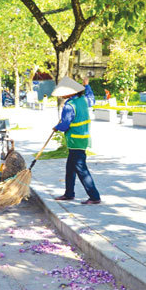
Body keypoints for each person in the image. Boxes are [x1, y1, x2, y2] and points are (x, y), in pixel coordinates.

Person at [52, 76, 101, 205]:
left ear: (72, 92)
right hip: (83, 140)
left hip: (75, 141)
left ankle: (94, 196)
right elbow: (92, 98)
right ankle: (69, 193)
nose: (62, 95)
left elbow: (65, 125)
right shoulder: (84, 100)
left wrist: (56, 127)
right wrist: (87, 85)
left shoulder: (69, 106)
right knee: (70, 168)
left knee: (81, 169)